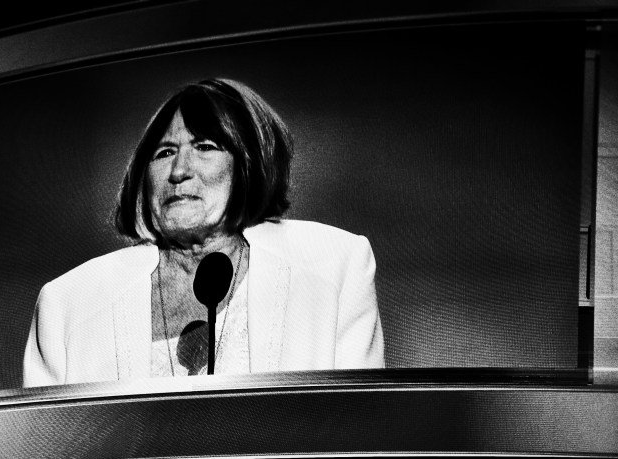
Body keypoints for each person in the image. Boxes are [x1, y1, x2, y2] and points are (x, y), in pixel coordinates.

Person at [24, 78, 383, 386]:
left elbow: (360, 429)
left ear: (249, 160)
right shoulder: (69, 303)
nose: (179, 170)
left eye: (205, 147)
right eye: (164, 152)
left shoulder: (334, 265)